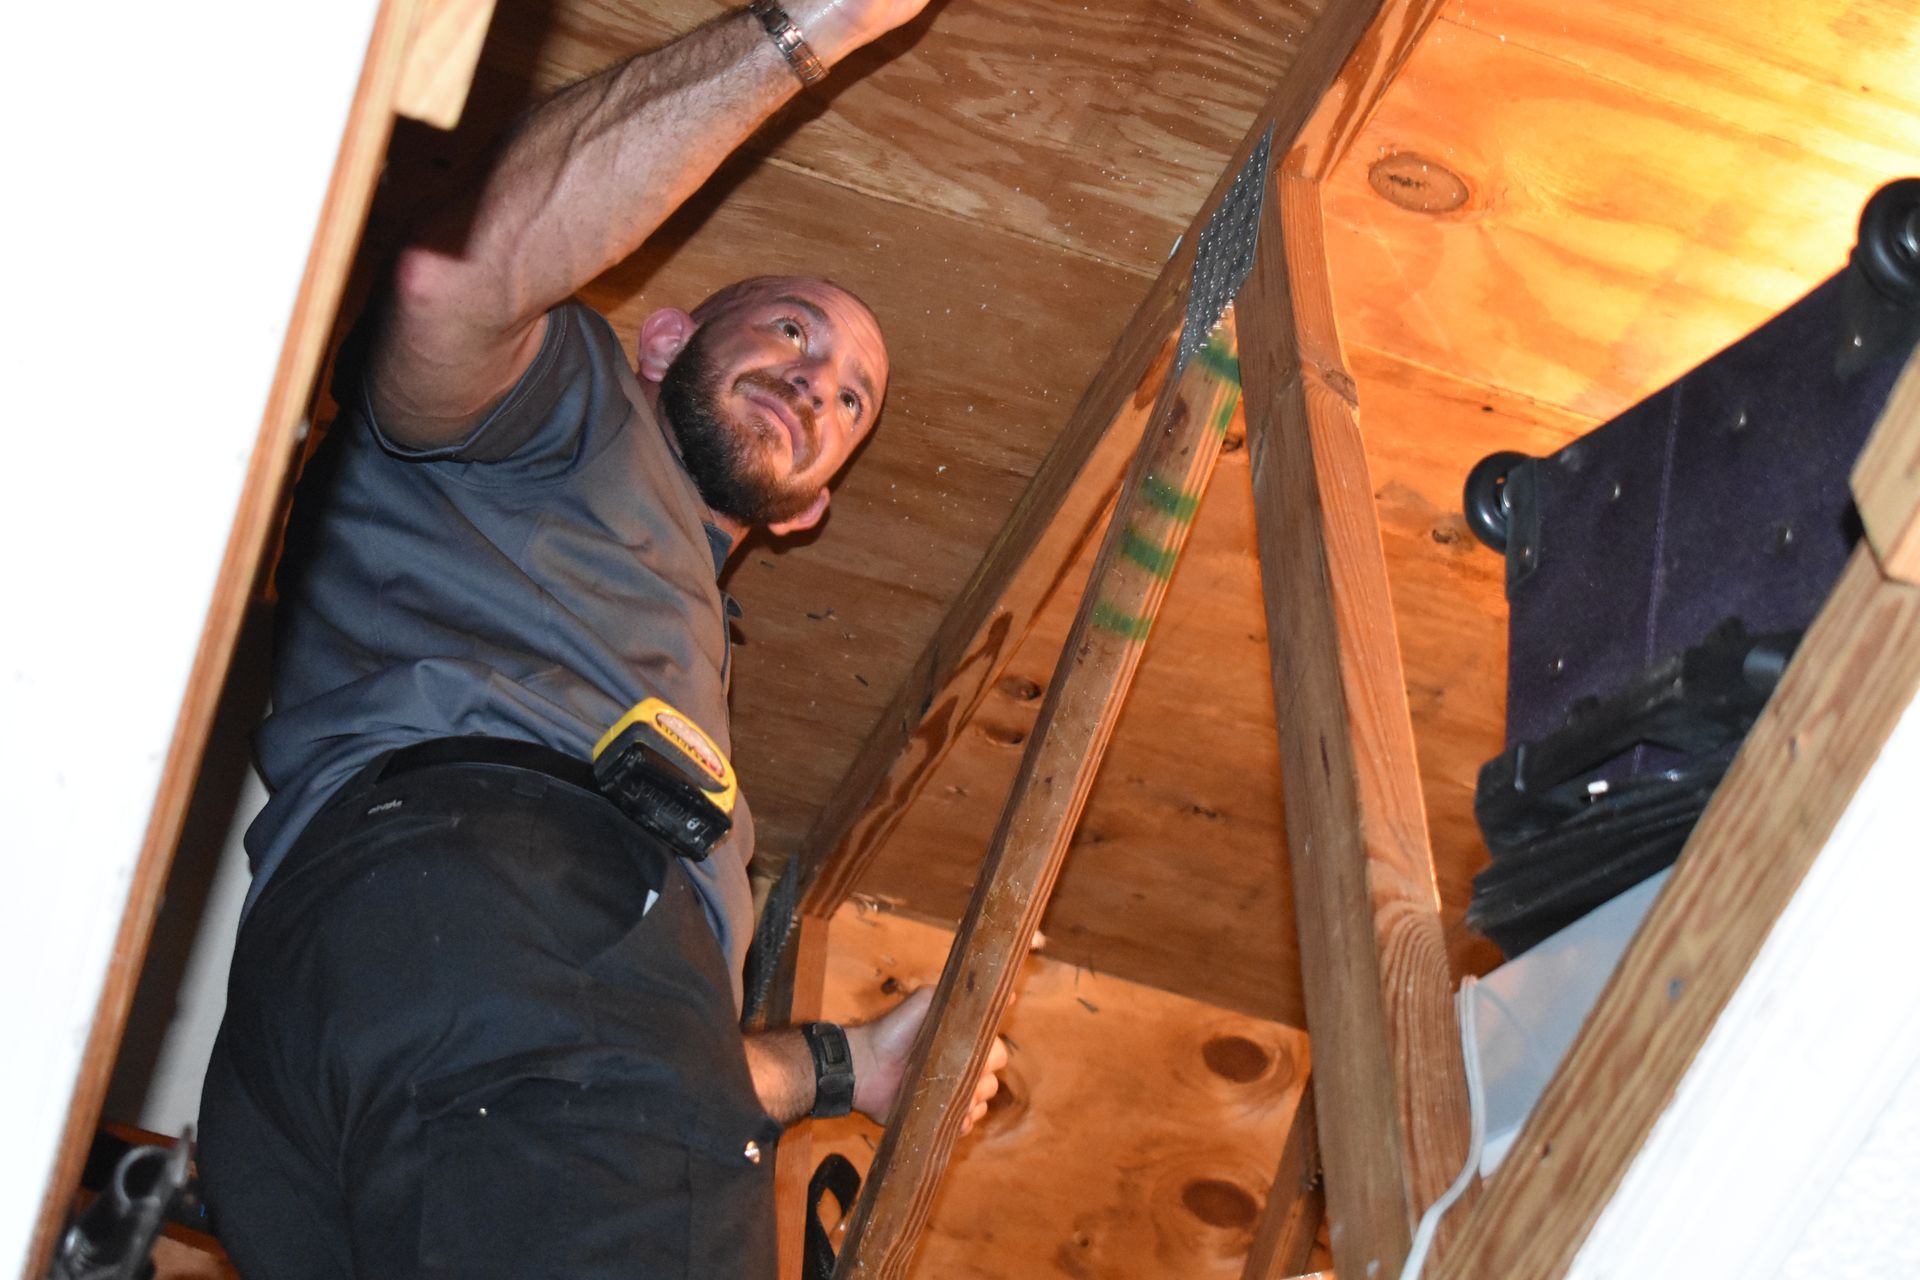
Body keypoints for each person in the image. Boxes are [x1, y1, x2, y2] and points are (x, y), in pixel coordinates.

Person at [197, 3, 1005, 1276]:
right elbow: (448, 280)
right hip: (482, 897)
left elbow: (617, 1062)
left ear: (813, 508)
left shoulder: (665, 653)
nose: (815, 380)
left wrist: (846, 1063)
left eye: (852, 397)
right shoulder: (561, 410)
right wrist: (811, 26)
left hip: (357, 1025)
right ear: (667, 336)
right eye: (793, 327)